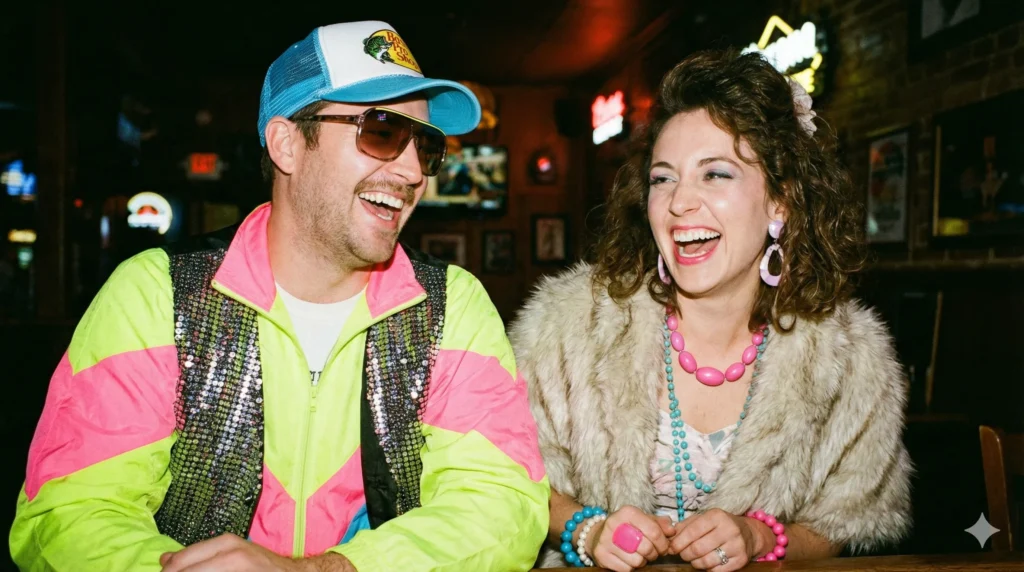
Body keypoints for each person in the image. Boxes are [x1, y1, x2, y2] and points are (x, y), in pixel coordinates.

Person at [11, 21, 549, 572]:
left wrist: (324, 570)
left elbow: (501, 505)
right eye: (382, 131)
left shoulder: (452, 305)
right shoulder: (155, 293)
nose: (414, 172)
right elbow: (69, 515)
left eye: (426, 146)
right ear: (286, 144)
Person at [509, 49, 912, 571]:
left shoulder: (851, 358)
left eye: (715, 174)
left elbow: (844, 523)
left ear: (781, 200)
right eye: (663, 178)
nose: (679, 202)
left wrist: (759, 538)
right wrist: (589, 530)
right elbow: (505, 474)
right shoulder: (567, 326)